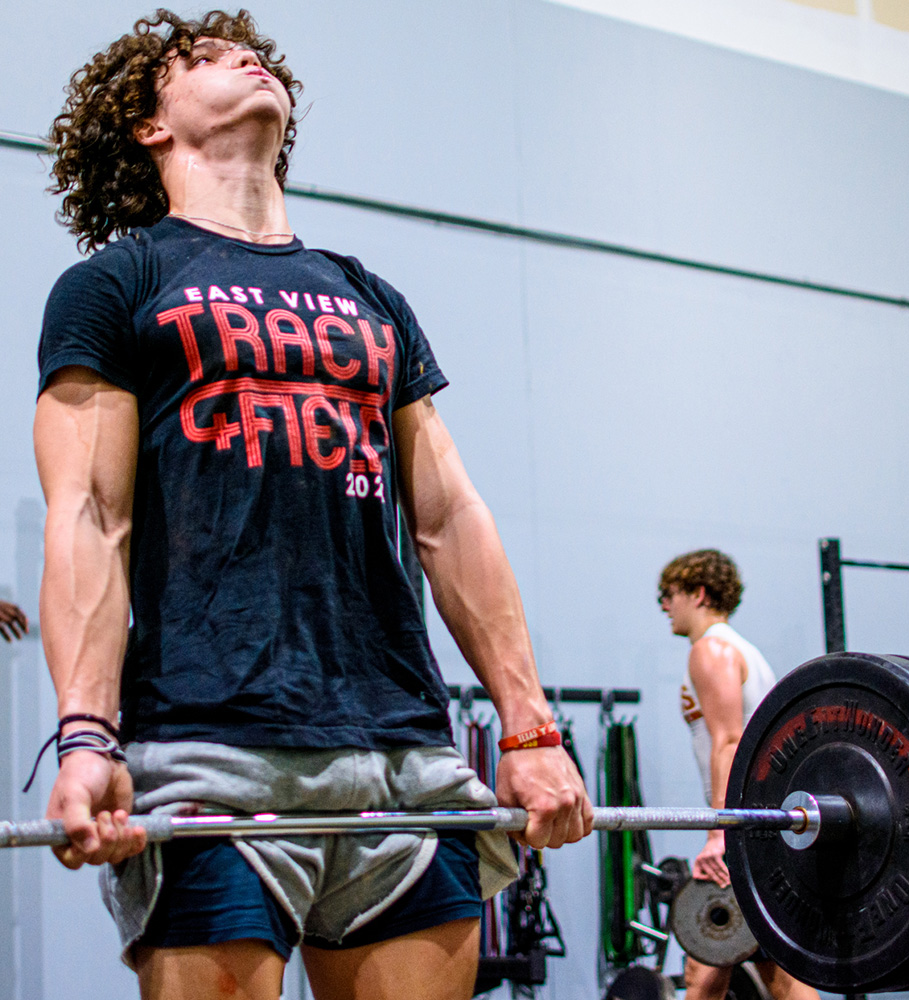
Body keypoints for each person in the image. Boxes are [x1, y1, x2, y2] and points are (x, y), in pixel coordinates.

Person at [34, 11, 592, 1000]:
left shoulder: (367, 294)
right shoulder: (116, 285)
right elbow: (89, 517)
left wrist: (530, 730)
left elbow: (449, 519)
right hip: (208, 753)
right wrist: (86, 733)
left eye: (249, 52)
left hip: (402, 756)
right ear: (150, 127)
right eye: (203, 58)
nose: (245, 59)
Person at [657, 549, 817, 1000]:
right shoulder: (744, 651)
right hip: (759, 826)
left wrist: (719, 833)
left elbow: (729, 741)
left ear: (698, 593)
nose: (665, 605)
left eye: (668, 594)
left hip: (744, 827)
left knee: (705, 964)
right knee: (773, 971)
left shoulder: (710, 650)